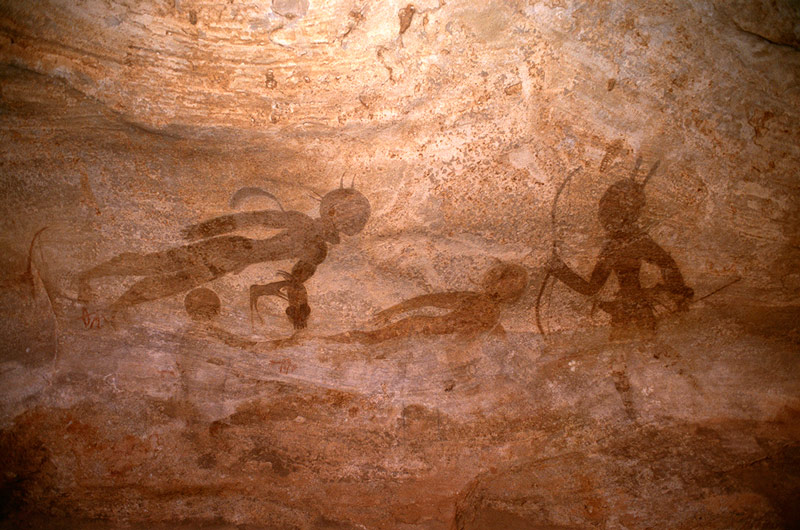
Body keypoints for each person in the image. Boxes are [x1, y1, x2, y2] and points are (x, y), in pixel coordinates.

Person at [79, 185, 370, 329]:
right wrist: (207, 227)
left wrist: (293, 305)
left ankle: (114, 305)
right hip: (230, 252)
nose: (337, 220)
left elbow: (294, 279)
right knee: (159, 267)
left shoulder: (317, 249)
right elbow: (254, 218)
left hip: (230, 258)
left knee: (170, 280)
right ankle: (90, 277)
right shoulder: (306, 232)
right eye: (340, 214)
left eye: (345, 218)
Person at [546, 178, 693, 340]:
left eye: (607, 212)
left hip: (628, 314)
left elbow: (591, 288)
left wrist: (559, 270)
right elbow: (667, 263)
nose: (602, 217)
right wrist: (678, 293)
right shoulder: (636, 239)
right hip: (635, 311)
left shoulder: (619, 244)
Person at [328, 262, 528, 344]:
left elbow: (486, 329)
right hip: (418, 327)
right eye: (508, 283)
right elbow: (427, 299)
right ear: (496, 280)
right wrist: (392, 311)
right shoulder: (473, 298)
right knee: (370, 339)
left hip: (432, 338)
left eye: (516, 287)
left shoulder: (494, 313)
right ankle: (325, 341)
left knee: (371, 343)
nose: (511, 289)